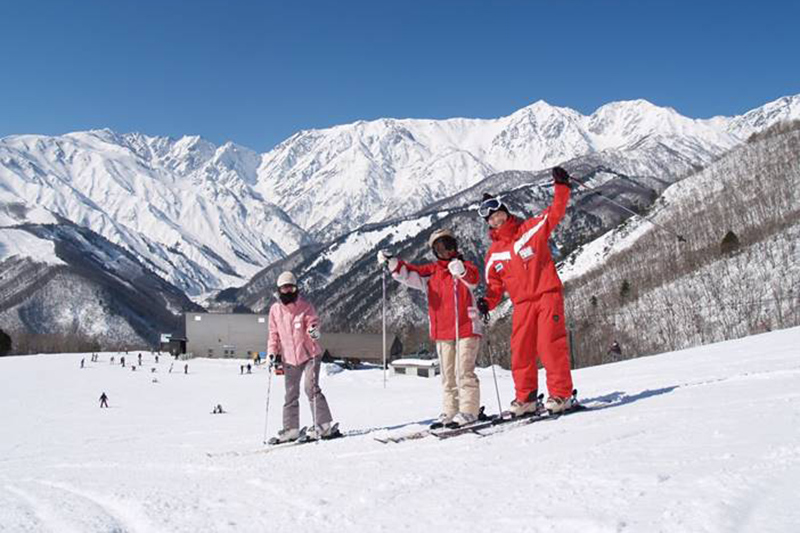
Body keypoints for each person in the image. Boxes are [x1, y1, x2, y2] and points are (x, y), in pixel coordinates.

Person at [476, 166, 576, 415]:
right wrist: (487, 302)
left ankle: (561, 395)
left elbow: (555, 212)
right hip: (522, 305)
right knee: (520, 351)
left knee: (549, 344)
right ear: (488, 223)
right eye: (490, 218)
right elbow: (495, 287)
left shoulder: (530, 230)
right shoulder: (493, 254)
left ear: (505, 212)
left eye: (498, 213)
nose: (496, 219)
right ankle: (526, 399)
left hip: (546, 295)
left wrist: (561, 187)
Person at [377, 229, 483, 427]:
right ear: (434, 252)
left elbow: (473, 281)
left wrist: (461, 271)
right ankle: (450, 411)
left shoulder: (465, 266)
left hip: (466, 328)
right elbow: (409, 274)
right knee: (448, 375)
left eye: (448, 246)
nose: (445, 251)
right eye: (439, 248)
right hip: (443, 331)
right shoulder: (431, 272)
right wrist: (392, 263)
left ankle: (469, 411)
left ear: (455, 246)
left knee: (464, 372)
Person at [267, 271, 337, 443]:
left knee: (311, 388)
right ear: (279, 290)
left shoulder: (305, 306)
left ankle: (324, 425)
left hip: (309, 355)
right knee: (290, 393)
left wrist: (313, 330)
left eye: (291, 287)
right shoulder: (275, 310)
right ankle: (291, 429)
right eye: (284, 288)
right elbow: (273, 334)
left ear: (296, 288)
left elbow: (313, 322)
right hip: (289, 358)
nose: (288, 290)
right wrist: (272, 353)